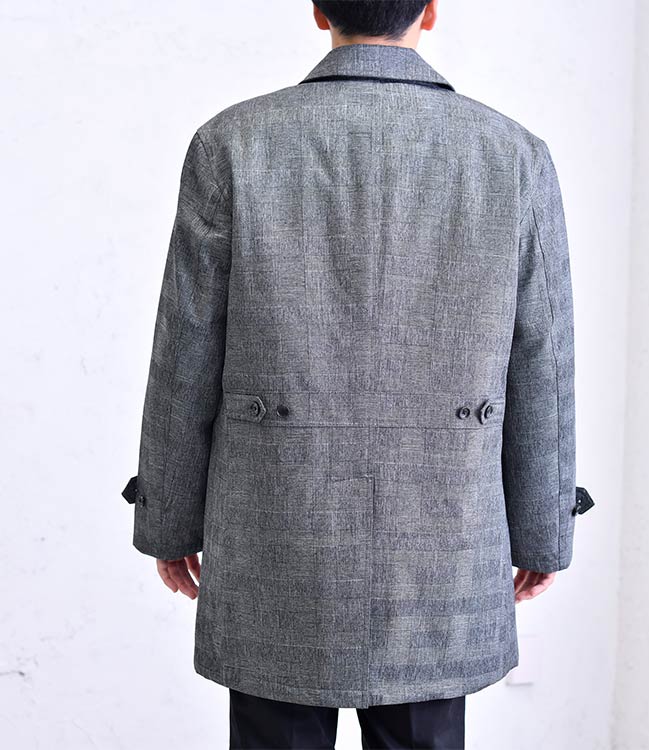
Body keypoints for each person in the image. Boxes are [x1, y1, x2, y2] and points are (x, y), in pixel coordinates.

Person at [121, 1, 595, 747]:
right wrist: (542, 529)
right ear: (430, 11)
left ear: (318, 10)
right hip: (441, 536)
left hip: (277, 526)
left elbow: (185, 349)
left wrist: (168, 517)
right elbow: (543, 356)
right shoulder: (513, 155)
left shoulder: (233, 143)